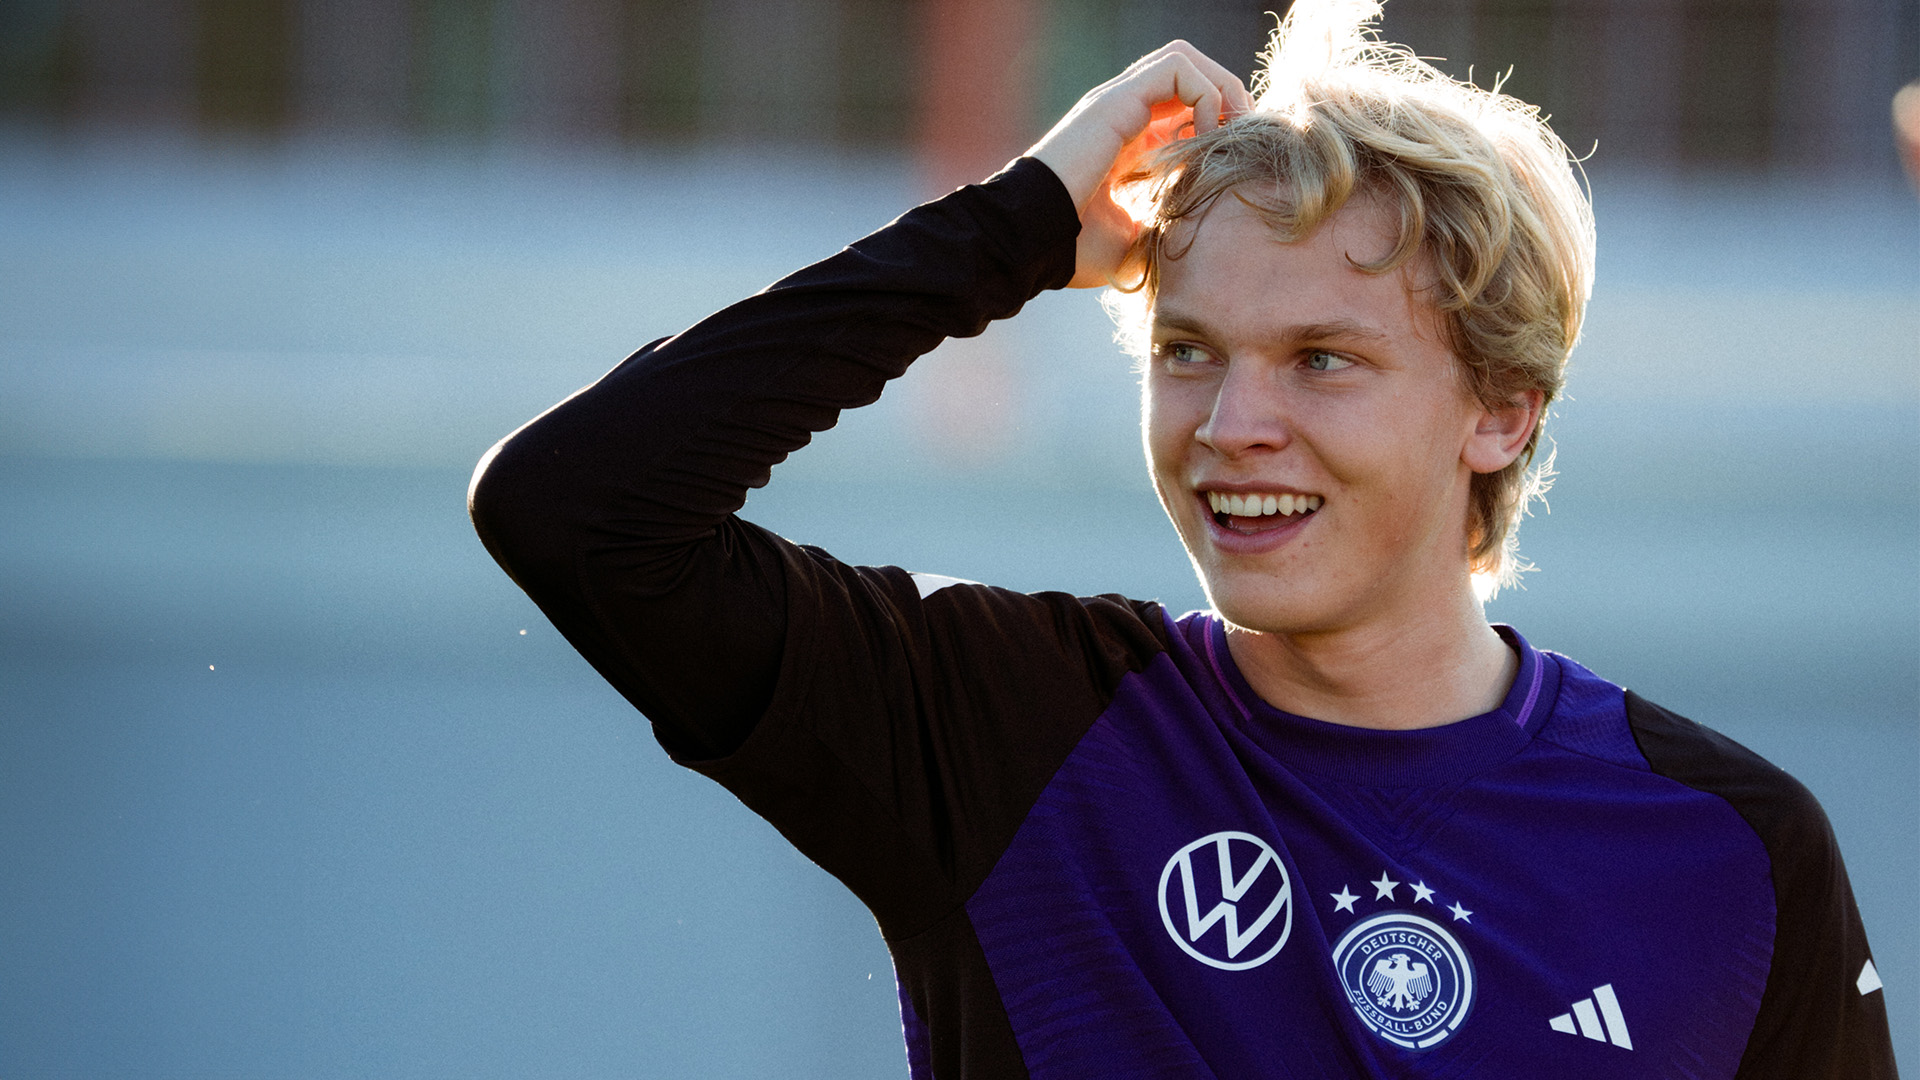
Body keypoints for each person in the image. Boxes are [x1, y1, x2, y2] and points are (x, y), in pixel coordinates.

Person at [467, 1, 1896, 1075]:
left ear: (1502, 415)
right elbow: (579, 506)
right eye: (1191, 351)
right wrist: (1014, 224)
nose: (1233, 424)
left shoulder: (1731, 849)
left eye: (1323, 360)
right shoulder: (1010, 727)